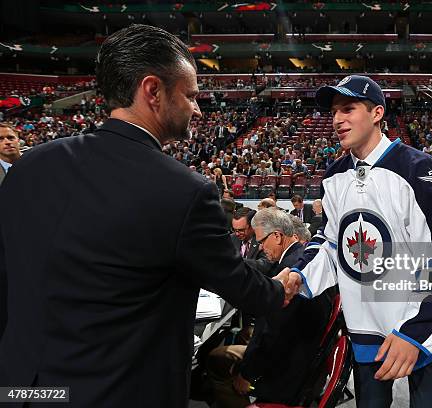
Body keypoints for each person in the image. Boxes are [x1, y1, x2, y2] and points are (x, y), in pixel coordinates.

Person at [0, 24, 287, 407]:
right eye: (191, 95)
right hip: (114, 392)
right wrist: (280, 288)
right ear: (153, 90)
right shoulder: (185, 190)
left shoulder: (28, 167)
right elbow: (241, 286)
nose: (197, 108)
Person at [280, 75, 432, 408]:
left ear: (377, 113)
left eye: (348, 108)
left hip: (421, 331)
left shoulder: (421, 170)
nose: (337, 120)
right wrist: (299, 274)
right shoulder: (334, 176)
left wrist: (417, 332)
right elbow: (331, 242)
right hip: (365, 333)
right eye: (334, 112)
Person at [208, 209, 332, 407]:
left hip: (286, 371)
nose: (260, 247)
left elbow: (272, 333)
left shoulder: (291, 272)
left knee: (218, 362)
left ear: (277, 236)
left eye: (262, 241)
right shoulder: (296, 259)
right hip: (297, 354)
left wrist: (247, 374)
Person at [231, 207, 274, 275]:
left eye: (241, 230)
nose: (237, 233)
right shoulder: (231, 238)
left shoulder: (265, 238)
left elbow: (265, 265)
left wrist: (238, 262)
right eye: (234, 230)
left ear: (253, 226)